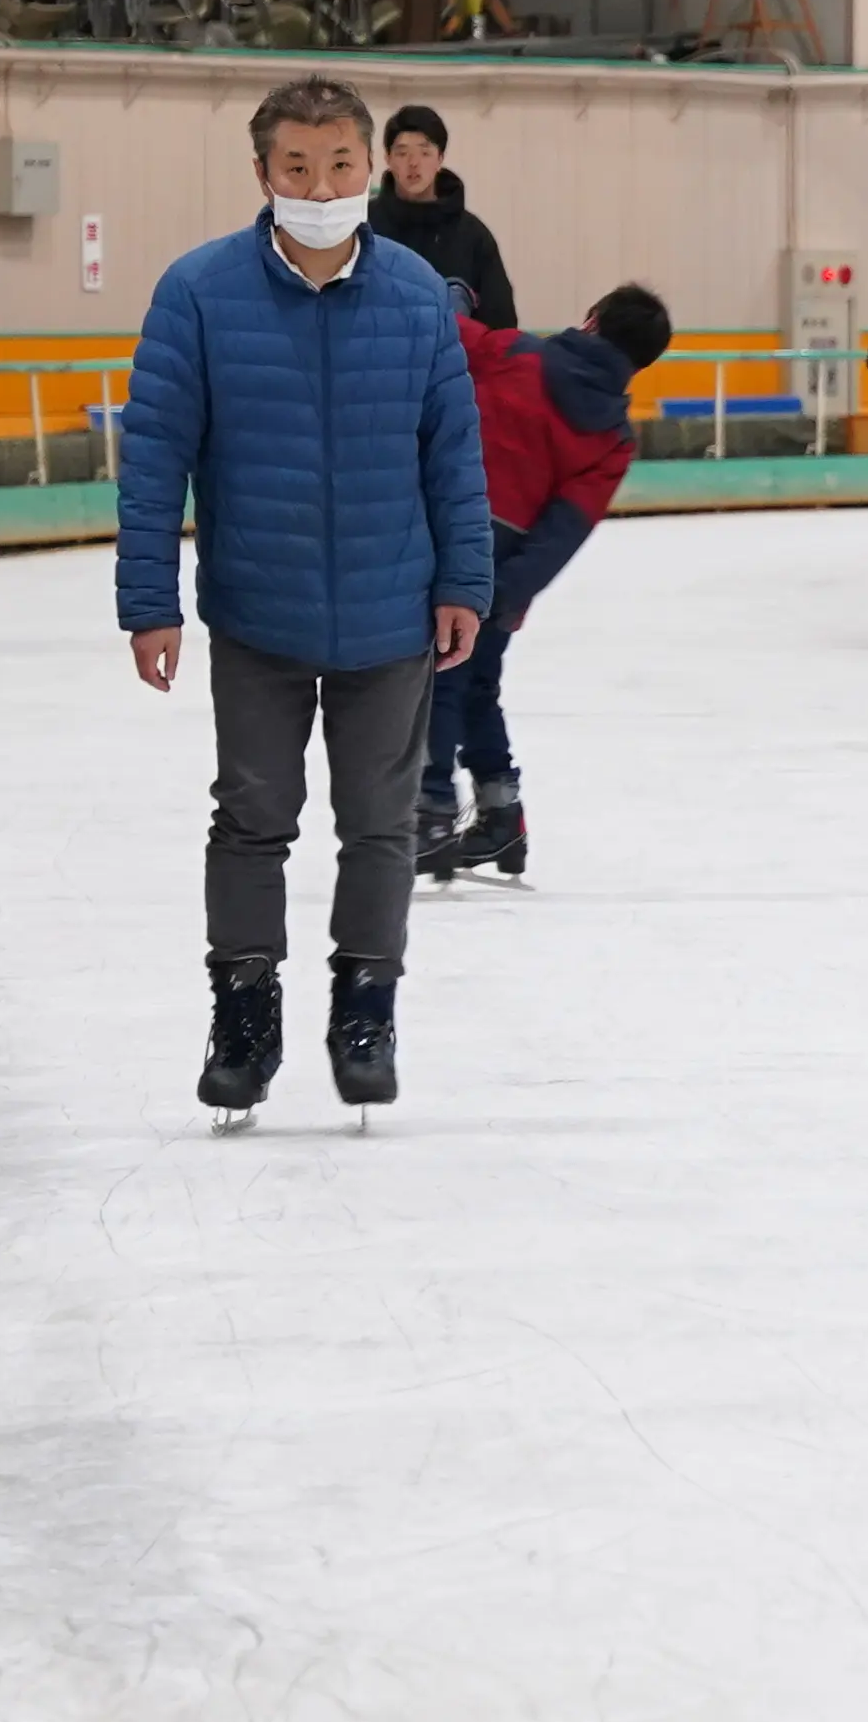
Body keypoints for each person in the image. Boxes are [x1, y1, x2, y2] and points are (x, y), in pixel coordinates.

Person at [117, 76, 491, 1127]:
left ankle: (365, 1010)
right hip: (257, 609)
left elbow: (454, 449)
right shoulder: (198, 292)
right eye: (296, 168)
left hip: (391, 612)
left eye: (337, 167)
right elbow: (155, 458)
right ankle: (244, 1012)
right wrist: (149, 598)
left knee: (380, 825)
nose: (319, 187)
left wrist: (465, 577)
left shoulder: (419, 292)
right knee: (252, 818)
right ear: (262, 174)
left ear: (367, 170)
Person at [422, 286, 669, 889]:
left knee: (438, 679)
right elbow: (566, 526)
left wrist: (449, 295)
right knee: (476, 683)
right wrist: (509, 592)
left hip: (453, 533)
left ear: (590, 320)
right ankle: (501, 811)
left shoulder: (517, 354)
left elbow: (449, 332)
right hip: (512, 560)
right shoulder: (613, 438)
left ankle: (428, 813)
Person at [366, 105, 519, 324]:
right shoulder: (364, 227)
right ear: (388, 159)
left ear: (440, 158)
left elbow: (500, 324)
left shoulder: (472, 236)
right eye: (402, 153)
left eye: (425, 152)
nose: (413, 163)